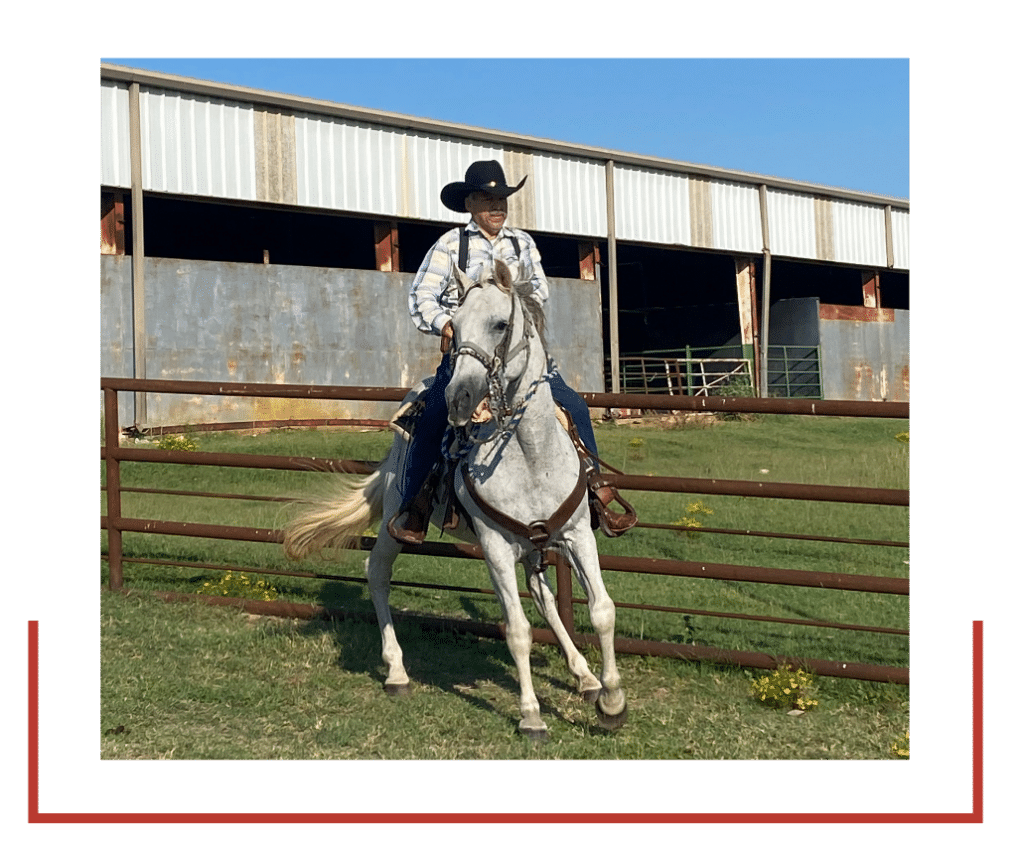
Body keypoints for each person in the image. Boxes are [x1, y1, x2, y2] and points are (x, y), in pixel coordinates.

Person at [387, 160, 636, 544]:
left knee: (575, 406)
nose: (497, 207)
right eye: (488, 199)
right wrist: (447, 325)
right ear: (470, 203)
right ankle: (416, 505)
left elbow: (539, 291)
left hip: (522, 359)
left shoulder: (523, 244)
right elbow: (421, 296)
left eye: (501, 199)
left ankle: (594, 493)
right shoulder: (450, 245)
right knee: (436, 411)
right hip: (470, 358)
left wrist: (514, 313)